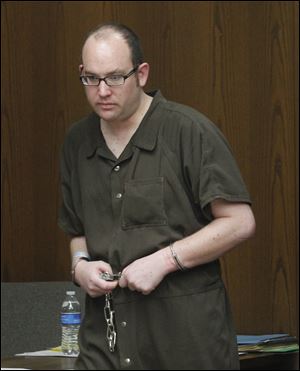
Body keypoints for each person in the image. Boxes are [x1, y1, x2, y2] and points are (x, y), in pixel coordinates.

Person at [58, 22, 255, 370]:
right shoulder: (77, 142)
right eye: (91, 78)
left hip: (184, 342)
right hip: (104, 343)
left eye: (115, 77)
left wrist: (164, 261)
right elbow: (77, 232)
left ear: (142, 74)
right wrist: (80, 267)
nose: (102, 90)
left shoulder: (187, 130)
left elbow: (239, 222)